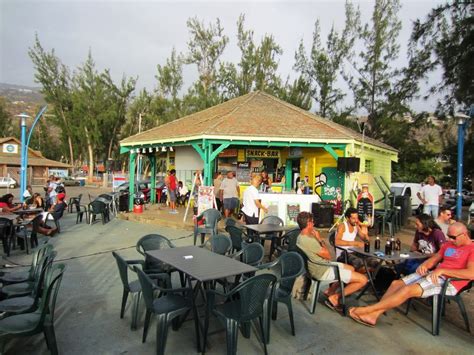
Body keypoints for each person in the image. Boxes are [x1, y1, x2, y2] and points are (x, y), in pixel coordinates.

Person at [349, 222, 474, 327]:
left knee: (407, 290)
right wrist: (426, 265)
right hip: (436, 274)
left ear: (464, 234)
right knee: (396, 283)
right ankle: (374, 315)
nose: (450, 239)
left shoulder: (472, 249)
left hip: (451, 282)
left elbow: (471, 273)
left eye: (453, 237)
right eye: (449, 236)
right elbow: (436, 258)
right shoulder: (449, 244)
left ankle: (368, 310)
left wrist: (443, 271)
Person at [296, 211, 368, 311]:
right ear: (308, 224)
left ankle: (330, 290)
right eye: (312, 222)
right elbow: (328, 255)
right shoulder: (309, 240)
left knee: (351, 268)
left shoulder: (300, 237)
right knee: (363, 280)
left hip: (318, 266)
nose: (313, 224)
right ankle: (335, 297)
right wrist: (319, 238)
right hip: (322, 270)